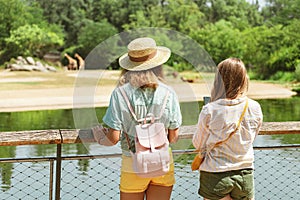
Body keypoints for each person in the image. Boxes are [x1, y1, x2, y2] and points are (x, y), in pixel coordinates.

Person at [93, 37, 182, 200]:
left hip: (132, 164)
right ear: (158, 65)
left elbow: (113, 139)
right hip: (163, 162)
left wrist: (98, 134)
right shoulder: (169, 93)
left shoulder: (120, 94)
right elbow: (174, 138)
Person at [192, 58, 263, 200]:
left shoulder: (210, 110)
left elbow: (198, 144)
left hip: (215, 173)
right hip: (244, 173)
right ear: (244, 79)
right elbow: (251, 138)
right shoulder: (254, 107)